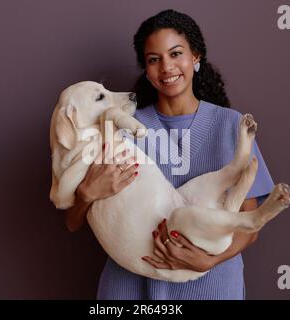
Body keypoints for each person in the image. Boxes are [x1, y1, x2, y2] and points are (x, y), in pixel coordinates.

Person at [64, 9, 274, 299]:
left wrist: (209, 261)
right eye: (154, 59)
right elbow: (73, 222)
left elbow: (251, 226)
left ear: (196, 57)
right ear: (146, 70)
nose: (166, 67)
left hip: (212, 289)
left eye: (176, 54)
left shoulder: (232, 126)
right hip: (130, 289)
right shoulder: (121, 129)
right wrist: (86, 194)